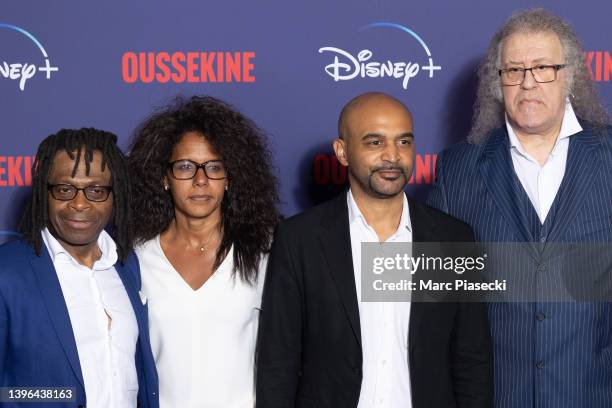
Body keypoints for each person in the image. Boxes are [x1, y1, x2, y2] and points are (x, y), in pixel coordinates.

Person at [257, 92, 492, 408]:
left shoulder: (454, 240)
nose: (393, 156)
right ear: (342, 152)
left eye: (404, 142)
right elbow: (278, 362)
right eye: (375, 142)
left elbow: (472, 361)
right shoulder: (300, 239)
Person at [427, 9, 612, 408]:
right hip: (494, 396)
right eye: (513, 70)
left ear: (571, 77)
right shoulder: (458, 168)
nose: (528, 82)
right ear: (498, 84)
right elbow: (438, 302)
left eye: (543, 67)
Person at [128, 96, 280, 408]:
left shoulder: (266, 250)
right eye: (185, 167)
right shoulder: (135, 257)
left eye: (214, 167)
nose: (200, 180)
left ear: (230, 178)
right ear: (164, 178)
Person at [0, 128, 159, 408]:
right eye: (64, 189)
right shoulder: (8, 271)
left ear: (114, 196)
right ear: (45, 193)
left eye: (96, 190)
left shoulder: (127, 266)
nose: (80, 203)